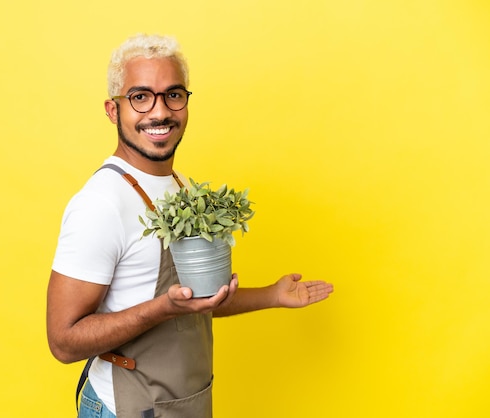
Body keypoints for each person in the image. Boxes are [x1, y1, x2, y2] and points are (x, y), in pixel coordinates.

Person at [46, 34, 334, 418]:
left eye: (173, 94)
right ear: (113, 110)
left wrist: (272, 294)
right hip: (128, 407)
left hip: (183, 402)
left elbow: (195, 301)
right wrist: (162, 308)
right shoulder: (101, 203)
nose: (160, 111)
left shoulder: (182, 187)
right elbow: (63, 342)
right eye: (140, 96)